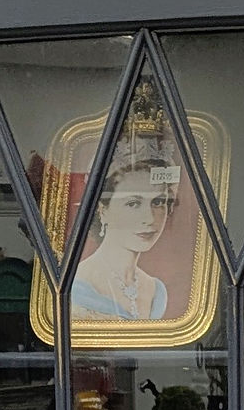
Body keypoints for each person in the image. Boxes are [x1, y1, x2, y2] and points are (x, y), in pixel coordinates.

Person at [72, 135, 178, 326]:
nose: (149, 218)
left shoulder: (156, 290)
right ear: (103, 210)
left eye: (158, 202)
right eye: (133, 203)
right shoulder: (78, 286)